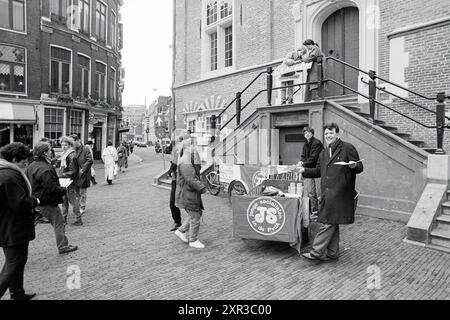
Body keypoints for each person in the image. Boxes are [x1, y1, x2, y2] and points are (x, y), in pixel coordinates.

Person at [297, 123, 363, 262]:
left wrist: (354, 165)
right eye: (326, 134)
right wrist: (304, 171)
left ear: (337, 134)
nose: (328, 136)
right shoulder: (323, 153)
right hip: (328, 194)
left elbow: (360, 166)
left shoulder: (348, 148)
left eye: (331, 133)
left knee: (328, 222)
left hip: (341, 193)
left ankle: (316, 252)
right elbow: (318, 171)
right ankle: (332, 253)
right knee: (333, 221)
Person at [0, 142, 39, 300]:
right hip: (13, 226)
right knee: (14, 262)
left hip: (7, 225)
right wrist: (35, 201)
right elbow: (19, 203)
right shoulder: (10, 176)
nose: (26, 163)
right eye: (23, 160)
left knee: (16, 261)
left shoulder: (4, 171)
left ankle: (17, 293)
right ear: (15, 159)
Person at [26, 142, 78, 255]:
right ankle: (63, 246)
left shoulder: (31, 166)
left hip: (35, 200)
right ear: (45, 153)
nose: (51, 152)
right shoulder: (46, 169)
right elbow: (51, 188)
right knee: (59, 223)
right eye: (49, 150)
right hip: (47, 201)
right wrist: (63, 189)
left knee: (36, 223)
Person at [174, 138, 207, 249]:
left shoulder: (187, 159)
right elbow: (191, 178)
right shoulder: (185, 161)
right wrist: (202, 188)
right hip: (188, 193)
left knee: (195, 214)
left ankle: (181, 230)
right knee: (195, 215)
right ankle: (193, 239)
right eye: (193, 145)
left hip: (189, 192)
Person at [298, 127, 324, 244]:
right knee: (309, 191)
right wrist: (301, 162)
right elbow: (304, 156)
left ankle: (315, 212)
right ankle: (313, 210)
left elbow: (313, 159)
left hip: (317, 170)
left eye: (308, 133)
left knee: (313, 192)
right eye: (305, 133)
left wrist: (303, 164)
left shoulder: (316, 143)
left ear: (312, 133)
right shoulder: (306, 143)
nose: (307, 134)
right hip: (308, 169)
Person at [168, 130, 191, 231]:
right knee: (172, 202)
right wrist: (171, 169)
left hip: (185, 179)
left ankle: (193, 218)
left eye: (181, 139)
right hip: (176, 179)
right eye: (178, 139)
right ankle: (177, 222)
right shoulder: (176, 148)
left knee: (189, 202)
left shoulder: (190, 151)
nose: (179, 141)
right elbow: (174, 162)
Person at [59, 136, 82, 226]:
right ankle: (64, 219)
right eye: (62, 145)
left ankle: (78, 219)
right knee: (64, 200)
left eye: (65, 145)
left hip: (68, 181)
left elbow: (73, 171)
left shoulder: (71, 155)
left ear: (69, 145)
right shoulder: (65, 154)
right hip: (64, 180)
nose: (63, 147)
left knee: (72, 200)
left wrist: (62, 175)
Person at [71, 134, 93, 218]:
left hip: (83, 173)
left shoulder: (85, 148)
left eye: (73, 142)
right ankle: (78, 206)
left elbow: (90, 160)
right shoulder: (72, 150)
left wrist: (83, 169)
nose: (72, 144)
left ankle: (82, 207)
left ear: (78, 140)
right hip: (75, 174)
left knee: (82, 191)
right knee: (76, 191)